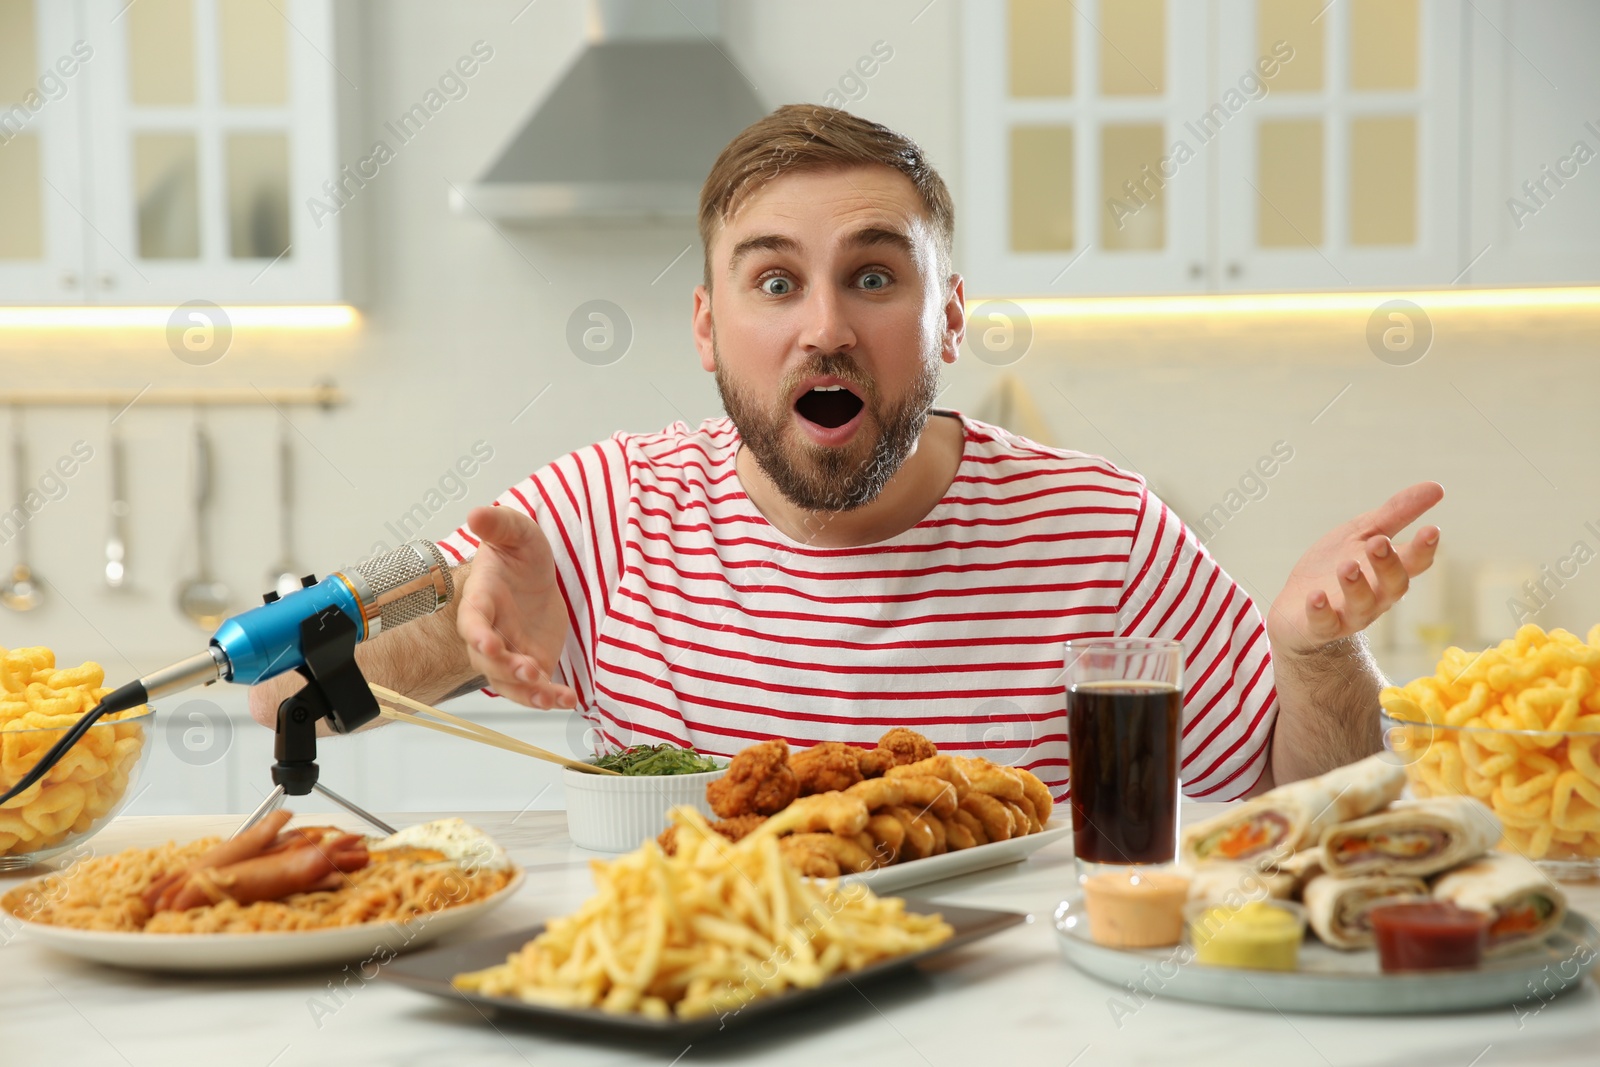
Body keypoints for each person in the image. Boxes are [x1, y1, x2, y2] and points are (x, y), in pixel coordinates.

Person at [250, 105, 1442, 801]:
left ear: (950, 316)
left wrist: (1319, 659)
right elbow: (277, 697)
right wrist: (443, 608)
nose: (824, 325)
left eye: (874, 275)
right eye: (775, 280)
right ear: (710, 325)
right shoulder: (599, 513)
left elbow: (1316, 813)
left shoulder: (1107, 533)